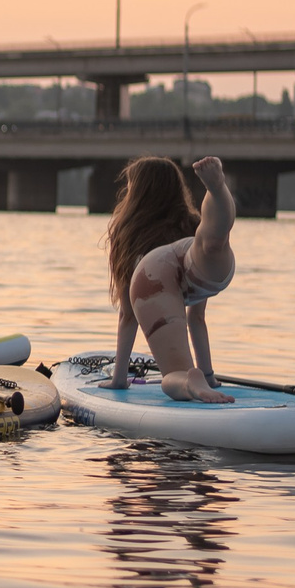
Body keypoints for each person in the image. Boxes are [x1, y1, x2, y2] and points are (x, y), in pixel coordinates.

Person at [104, 155, 236, 404]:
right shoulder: (191, 223)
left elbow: (128, 316)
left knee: (175, 373)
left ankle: (187, 381)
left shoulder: (131, 233)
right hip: (201, 269)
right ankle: (217, 191)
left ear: (139, 193)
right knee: (212, 244)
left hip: (154, 274)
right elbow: (197, 317)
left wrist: (119, 379)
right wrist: (208, 374)